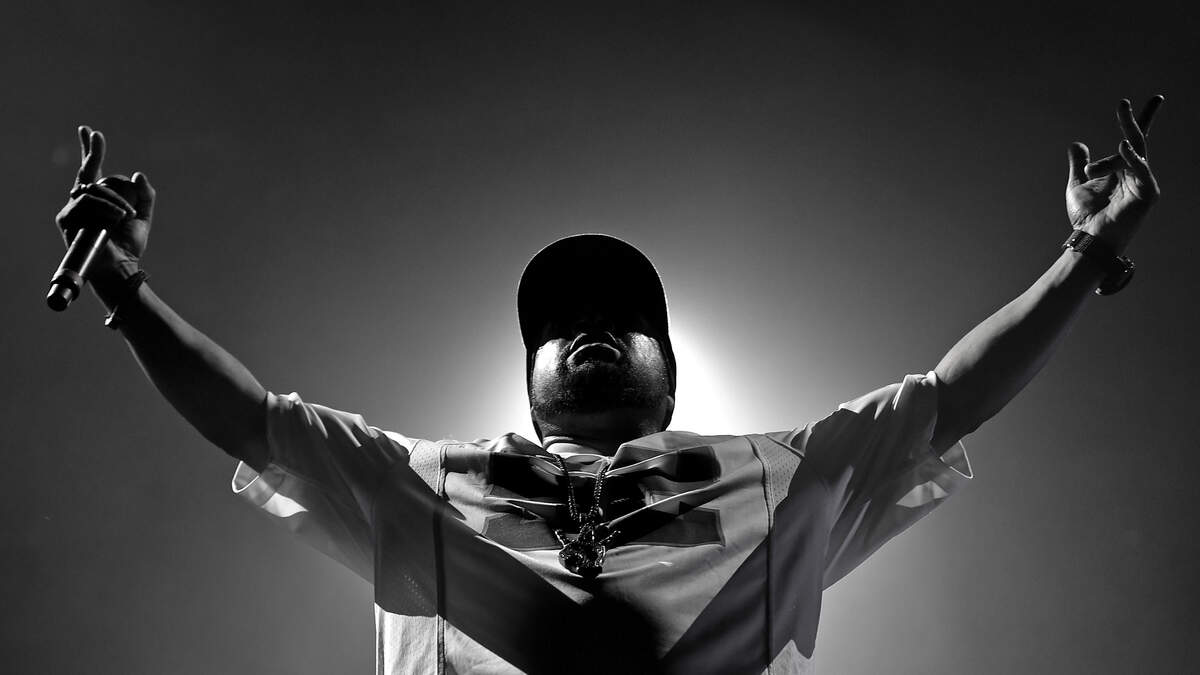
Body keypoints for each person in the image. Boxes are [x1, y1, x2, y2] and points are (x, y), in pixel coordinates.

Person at [53, 96, 1163, 674]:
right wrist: (125, 289)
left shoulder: (781, 475)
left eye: (626, 319)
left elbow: (949, 399)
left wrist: (1084, 255)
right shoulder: (427, 481)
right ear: (529, 378)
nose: (590, 327)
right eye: (562, 322)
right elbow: (252, 423)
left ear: (670, 380)